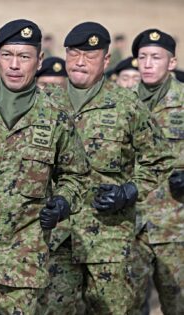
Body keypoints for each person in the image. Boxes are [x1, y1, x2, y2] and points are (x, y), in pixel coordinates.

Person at [0, 19, 90, 314]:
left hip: (21, 265)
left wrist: (62, 202)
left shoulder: (56, 118)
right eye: (8, 55)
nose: (14, 65)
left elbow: (77, 176)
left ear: (39, 61)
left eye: (24, 57)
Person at [36, 22, 174, 315]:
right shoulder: (44, 103)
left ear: (106, 60)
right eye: (73, 54)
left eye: (90, 55)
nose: (80, 62)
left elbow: (160, 159)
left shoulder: (126, 105)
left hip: (108, 239)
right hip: (56, 236)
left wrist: (130, 190)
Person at [132, 28, 184, 315]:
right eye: (142, 57)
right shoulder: (123, 103)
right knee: (130, 306)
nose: (148, 64)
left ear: (172, 63)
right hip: (132, 226)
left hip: (176, 227)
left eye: (156, 57)